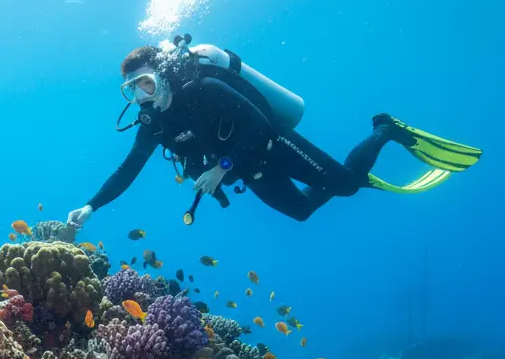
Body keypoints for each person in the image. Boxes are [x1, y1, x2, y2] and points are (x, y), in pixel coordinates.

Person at [67, 36, 481, 230]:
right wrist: (90, 207)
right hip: (248, 172)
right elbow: (127, 170)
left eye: (146, 84)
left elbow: (260, 122)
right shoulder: (153, 124)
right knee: (301, 212)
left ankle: (384, 130)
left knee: (347, 187)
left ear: (161, 76)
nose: (141, 96)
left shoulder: (205, 89)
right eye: (131, 89)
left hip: (271, 145)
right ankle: (343, 176)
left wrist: (223, 165)